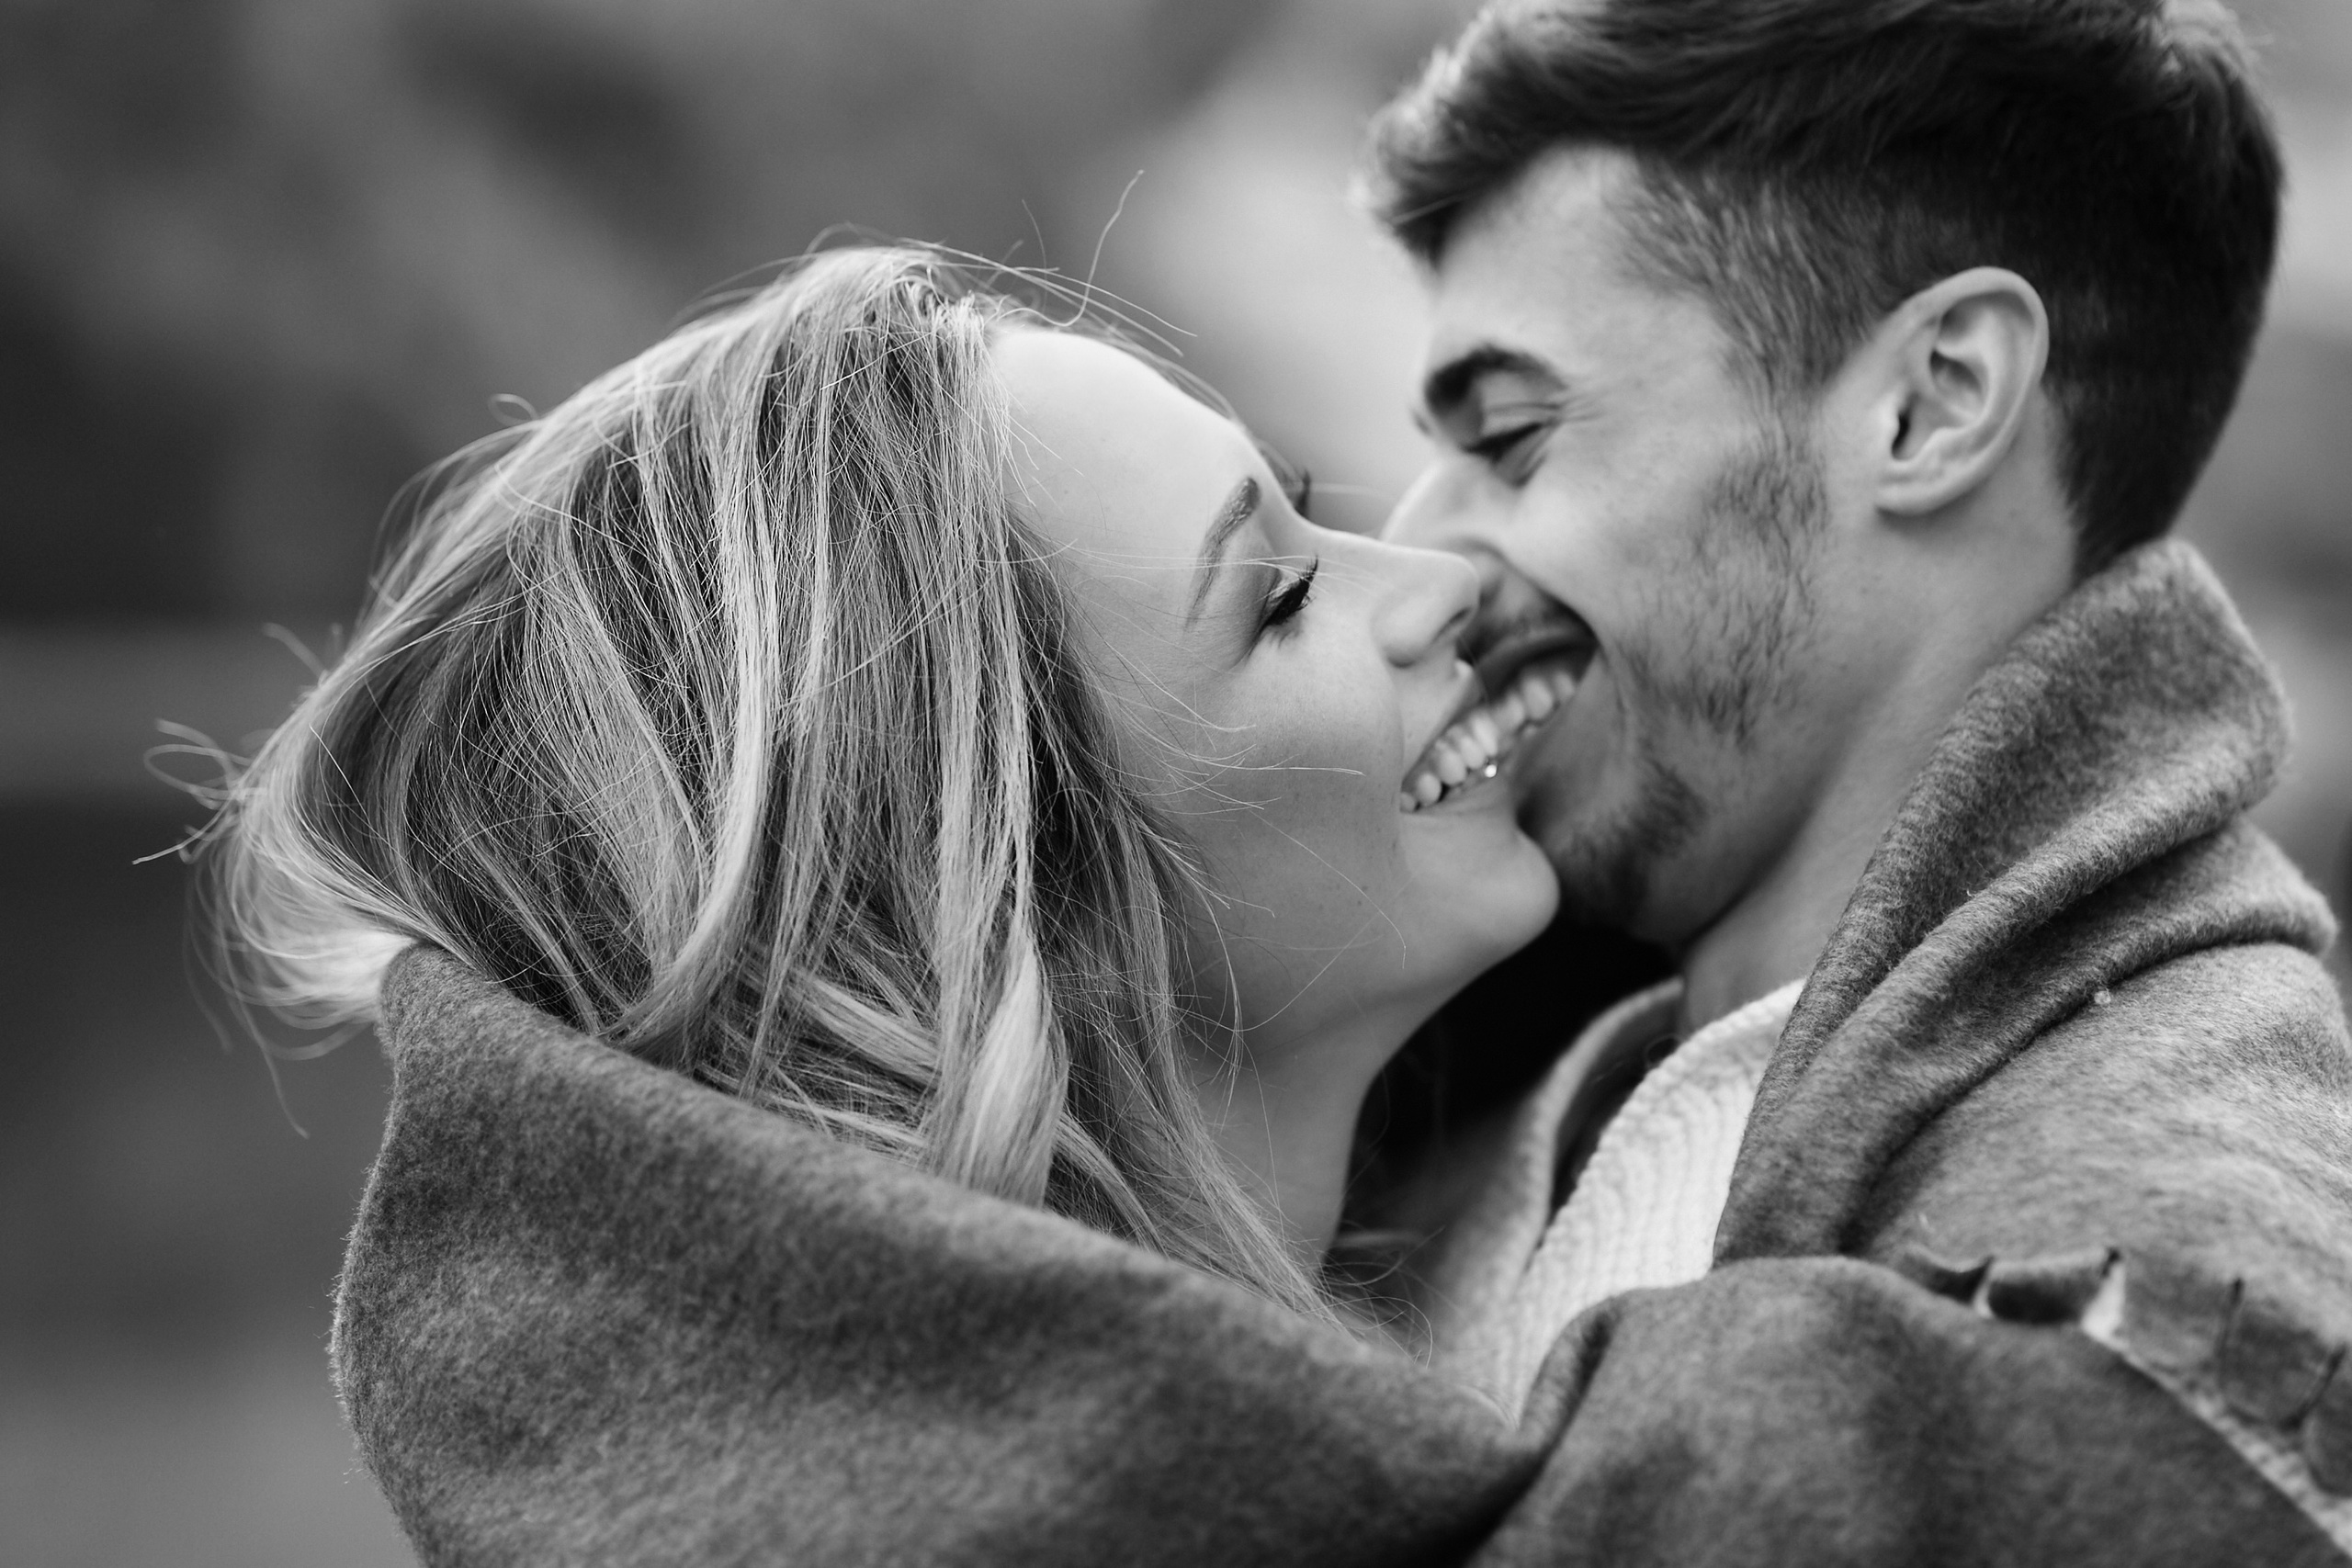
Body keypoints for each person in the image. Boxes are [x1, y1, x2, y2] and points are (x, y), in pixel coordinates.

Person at [1362, 0, 2352, 1550]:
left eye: (1515, 435)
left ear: (1934, 400)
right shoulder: (1493, 1096)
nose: (1416, 554)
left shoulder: (2150, 1311)